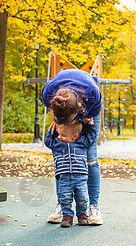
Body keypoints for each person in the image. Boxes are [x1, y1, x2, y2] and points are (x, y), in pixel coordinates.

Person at [41, 68, 103, 225]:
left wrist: (86, 123)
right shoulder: (48, 92)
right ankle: (62, 204)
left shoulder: (92, 94)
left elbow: (91, 126)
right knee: (60, 158)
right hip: (63, 109)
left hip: (88, 111)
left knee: (90, 158)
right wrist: (58, 120)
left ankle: (93, 207)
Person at [45, 120, 96, 227]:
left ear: (75, 136)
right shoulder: (57, 143)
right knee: (65, 198)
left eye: (63, 135)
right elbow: (47, 141)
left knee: (82, 197)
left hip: (81, 176)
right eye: (59, 134)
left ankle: (82, 215)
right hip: (64, 177)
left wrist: (91, 125)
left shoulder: (81, 142)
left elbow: (91, 137)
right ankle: (67, 216)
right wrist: (52, 130)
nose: (59, 137)